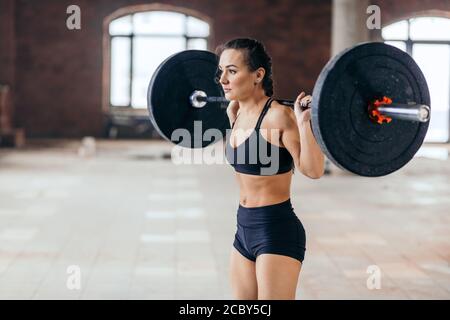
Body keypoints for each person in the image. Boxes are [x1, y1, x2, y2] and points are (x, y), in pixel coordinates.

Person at [216, 38, 325, 300]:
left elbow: (313, 170)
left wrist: (304, 124)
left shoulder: (279, 116)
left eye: (232, 71)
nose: (222, 79)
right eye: (221, 71)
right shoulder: (235, 112)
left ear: (257, 75)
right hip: (243, 229)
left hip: (276, 230)